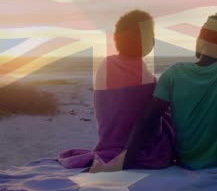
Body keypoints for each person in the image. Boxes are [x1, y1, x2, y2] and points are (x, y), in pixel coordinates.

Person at [123, 13, 217, 174]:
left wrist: (127, 160)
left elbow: (150, 118)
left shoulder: (174, 73)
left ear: (200, 38)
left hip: (186, 162)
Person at [58, 10, 175, 171]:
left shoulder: (105, 67)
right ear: (146, 42)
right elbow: (151, 128)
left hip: (108, 144)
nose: (154, 40)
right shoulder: (148, 80)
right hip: (141, 151)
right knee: (168, 117)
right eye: (151, 36)